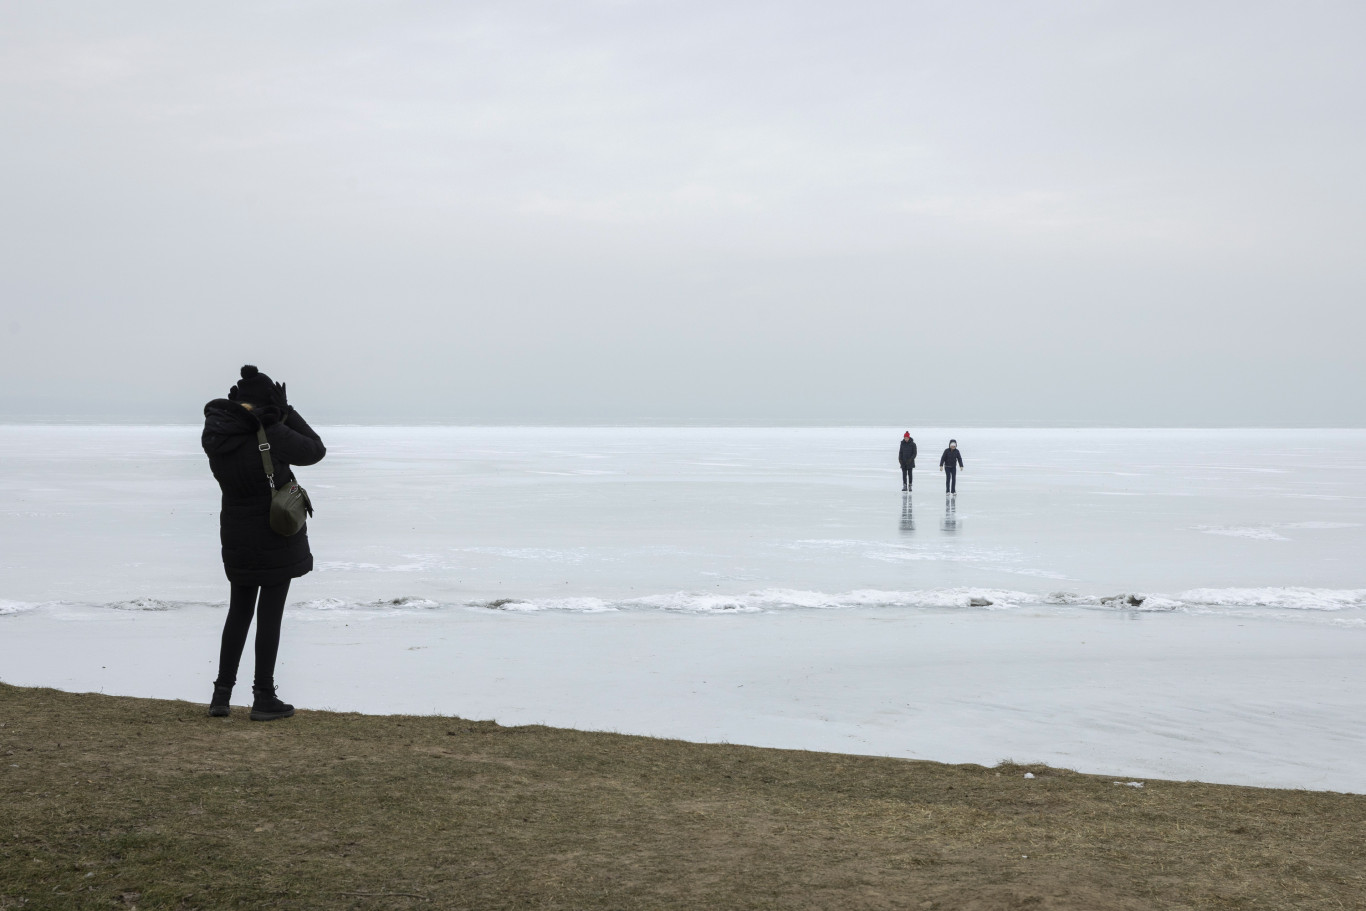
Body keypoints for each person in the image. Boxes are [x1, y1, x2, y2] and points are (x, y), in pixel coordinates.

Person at [202, 365, 326, 721]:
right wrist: (287, 412)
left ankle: (221, 695)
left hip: (236, 532)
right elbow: (315, 450)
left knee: (239, 611)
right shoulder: (270, 431)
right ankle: (263, 696)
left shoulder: (217, 432)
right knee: (269, 616)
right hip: (274, 532)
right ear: (267, 402)